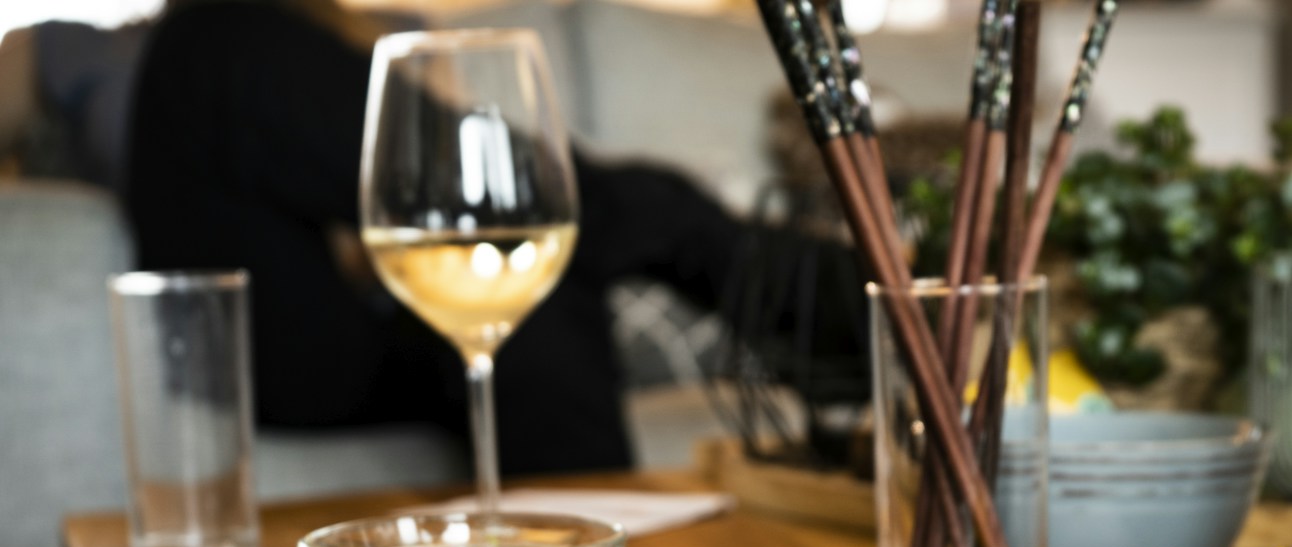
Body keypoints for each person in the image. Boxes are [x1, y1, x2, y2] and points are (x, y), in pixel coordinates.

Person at [122, 0, 865, 477]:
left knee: (566, 248)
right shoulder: (221, 38)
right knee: (587, 224)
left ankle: (847, 314)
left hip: (330, 336)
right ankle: (862, 313)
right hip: (289, 360)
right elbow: (444, 180)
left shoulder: (253, 40)